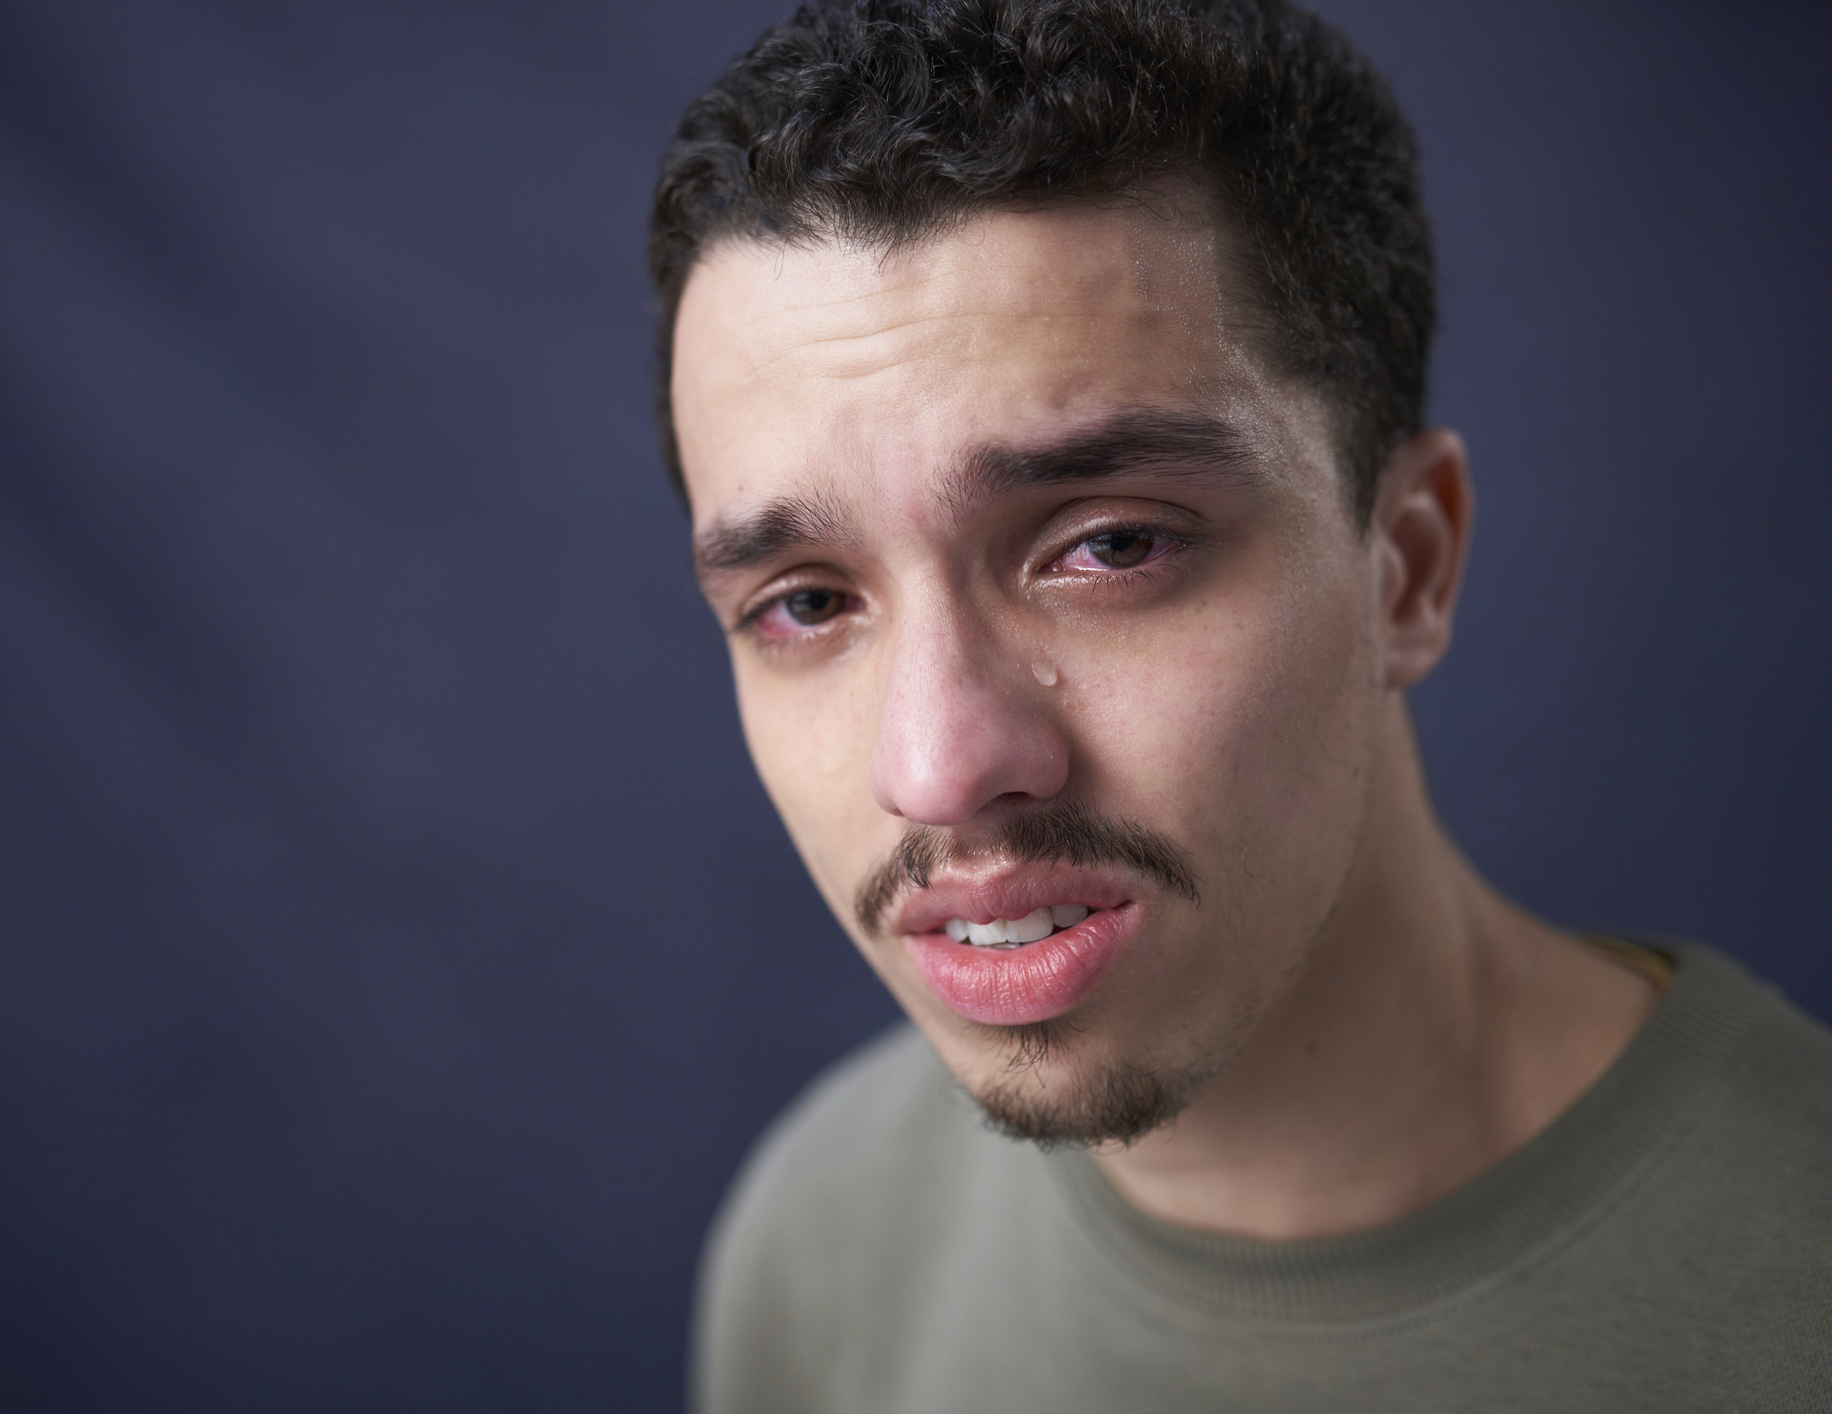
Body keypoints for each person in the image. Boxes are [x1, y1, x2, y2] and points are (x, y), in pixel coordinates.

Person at [648, 0, 1832, 1409]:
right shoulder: (824, 1239)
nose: (940, 763)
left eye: (1109, 544)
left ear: (1405, 564)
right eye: (805, 601)